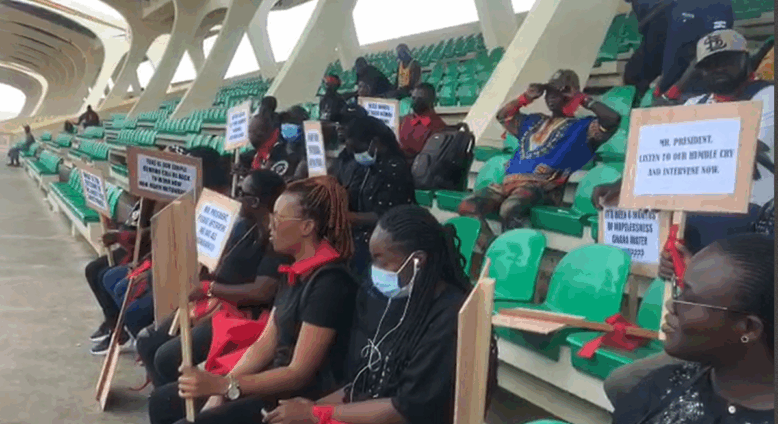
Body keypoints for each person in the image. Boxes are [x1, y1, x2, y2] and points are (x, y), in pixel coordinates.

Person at [148, 176, 358, 424]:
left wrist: (226, 386)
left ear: (307, 227)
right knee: (162, 401)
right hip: (272, 381)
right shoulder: (294, 271)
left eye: (278, 218)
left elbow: (298, 373)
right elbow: (264, 345)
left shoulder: (330, 283)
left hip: (297, 400)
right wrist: (220, 390)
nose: (270, 224)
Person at [264, 205, 499, 424]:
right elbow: (360, 386)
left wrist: (314, 414)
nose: (375, 270)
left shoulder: (450, 317)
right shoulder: (396, 302)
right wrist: (308, 409)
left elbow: (404, 409)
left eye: (382, 262)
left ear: (417, 261)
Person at [136, 170, 288, 387]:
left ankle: (178, 399)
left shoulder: (276, 241)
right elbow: (222, 266)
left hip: (241, 316)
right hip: (214, 301)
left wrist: (209, 288)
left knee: (166, 358)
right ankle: (166, 396)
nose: (236, 198)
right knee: (147, 341)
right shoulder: (246, 227)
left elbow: (261, 292)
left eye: (242, 193)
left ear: (255, 202)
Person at [611, 234, 774, 423]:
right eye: (679, 291)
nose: (672, 305)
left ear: (748, 328)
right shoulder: (658, 388)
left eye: (689, 299)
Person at [91, 147, 232, 355]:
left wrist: (156, 273)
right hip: (164, 263)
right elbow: (157, 233)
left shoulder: (217, 206)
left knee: (133, 310)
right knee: (116, 283)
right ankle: (125, 333)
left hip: (194, 280)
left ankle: (145, 343)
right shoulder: (179, 195)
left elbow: (201, 257)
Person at [458, 69, 621, 243]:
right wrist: (525, 98)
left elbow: (612, 119)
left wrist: (582, 98)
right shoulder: (534, 121)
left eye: (557, 93)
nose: (550, 97)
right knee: (467, 206)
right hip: (508, 184)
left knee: (510, 208)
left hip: (542, 188)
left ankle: (515, 253)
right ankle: (492, 251)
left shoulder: (582, 127)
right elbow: (503, 116)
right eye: (548, 93)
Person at [683, 29, 774, 206]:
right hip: (702, 202)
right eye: (710, 64)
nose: (718, 68)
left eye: (726, 61)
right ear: (701, 71)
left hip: (756, 204)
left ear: (745, 59)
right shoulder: (692, 105)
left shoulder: (768, 95)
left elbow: (750, 149)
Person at [333, 116, 416, 279]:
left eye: (358, 149)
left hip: (389, 238)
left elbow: (388, 215)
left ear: (375, 143)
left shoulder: (395, 169)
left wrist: (349, 218)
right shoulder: (366, 166)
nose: (356, 155)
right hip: (362, 236)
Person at [623, 0, 734, 103]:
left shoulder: (718, 5)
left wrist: (677, 87)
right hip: (671, 87)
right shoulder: (675, 7)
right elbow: (669, 48)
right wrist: (663, 85)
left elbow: (712, 53)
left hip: (699, 90)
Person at [398, 83, 447, 160]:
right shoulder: (406, 120)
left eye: (420, 99)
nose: (415, 101)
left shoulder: (438, 126)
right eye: (413, 98)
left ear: (431, 100)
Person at [266, 105, 310, 182]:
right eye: (285, 122)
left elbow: (299, 178)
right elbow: (266, 171)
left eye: (293, 123)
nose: (287, 125)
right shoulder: (277, 150)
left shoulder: (307, 153)